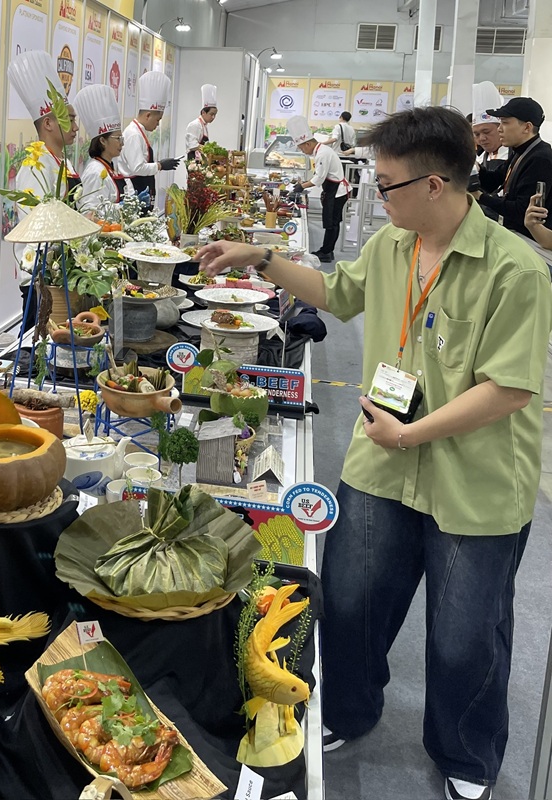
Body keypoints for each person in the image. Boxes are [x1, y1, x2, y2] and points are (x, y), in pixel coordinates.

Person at [197, 105, 552, 800]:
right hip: (381, 464)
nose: (376, 193)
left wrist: (411, 433)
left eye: (387, 184)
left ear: (434, 185)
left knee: (466, 632)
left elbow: (509, 388)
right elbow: (338, 293)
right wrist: (261, 259)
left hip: (472, 480)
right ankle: (349, 709)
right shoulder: (394, 245)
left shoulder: (515, 270)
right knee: (353, 600)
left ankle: (465, 755)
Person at [7, 50, 81, 214]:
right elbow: (34, 223)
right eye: (70, 120)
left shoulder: (63, 161)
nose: (75, 127)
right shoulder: (35, 167)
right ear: (48, 123)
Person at [475, 96, 552, 238]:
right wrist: (476, 169)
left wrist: (480, 197)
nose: (499, 129)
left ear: (527, 127)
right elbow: (494, 181)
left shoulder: (540, 158)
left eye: (505, 123)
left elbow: (521, 210)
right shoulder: (520, 151)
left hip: (532, 239)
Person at [287, 115, 349, 262]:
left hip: (337, 191)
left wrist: (301, 186)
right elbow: (319, 175)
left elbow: (318, 179)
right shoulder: (321, 150)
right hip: (333, 189)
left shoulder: (322, 153)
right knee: (330, 223)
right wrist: (303, 183)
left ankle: (327, 252)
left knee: (331, 223)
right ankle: (327, 250)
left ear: (308, 144)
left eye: (301, 148)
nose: (302, 151)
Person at [116, 71, 179, 209]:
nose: (158, 125)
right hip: (135, 191)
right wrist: (160, 165)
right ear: (148, 115)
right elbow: (137, 168)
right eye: (157, 120)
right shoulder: (134, 135)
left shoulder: (140, 132)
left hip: (143, 188)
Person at [74, 83, 132, 214]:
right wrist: (122, 207)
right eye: (118, 139)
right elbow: (89, 212)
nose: (122, 144)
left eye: (122, 139)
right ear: (102, 141)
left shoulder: (109, 166)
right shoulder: (95, 172)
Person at [184, 84, 217, 161]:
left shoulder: (204, 125)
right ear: (203, 112)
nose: (213, 117)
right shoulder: (195, 125)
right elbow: (192, 145)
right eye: (211, 114)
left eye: (215, 115)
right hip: (194, 161)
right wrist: (210, 149)